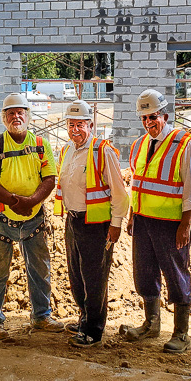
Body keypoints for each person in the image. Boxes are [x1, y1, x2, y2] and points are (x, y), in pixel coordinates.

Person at [120, 89, 191, 353]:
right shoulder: (139, 145)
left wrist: (185, 226)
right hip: (144, 221)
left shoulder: (182, 144)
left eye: (153, 117)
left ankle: (181, 333)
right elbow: (138, 183)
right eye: (144, 118)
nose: (148, 123)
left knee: (176, 274)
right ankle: (151, 324)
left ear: (164, 116)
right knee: (144, 272)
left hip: (170, 224)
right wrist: (133, 215)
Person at [0, 92, 63, 339]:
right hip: (1, 221)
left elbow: (49, 178)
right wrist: (14, 202)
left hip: (33, 219)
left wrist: (32, 201)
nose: (17, 117)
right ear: (4, 118)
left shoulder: (40, 144)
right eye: (11, 113)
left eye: (20, 112)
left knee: (40, 269)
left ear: (28, 116)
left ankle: (42, 316)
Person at [53, 100, 129, 348]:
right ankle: (84, 317)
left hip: (96, 224)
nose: (75, 130)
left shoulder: (101, 151)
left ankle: (93, 329)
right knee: (77, 275)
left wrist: (116, 224)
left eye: (80, 125)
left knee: (94, 277)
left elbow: (119, 193)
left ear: (91, 125)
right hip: (73, 220)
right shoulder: (67, 151)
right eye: (71, 124)